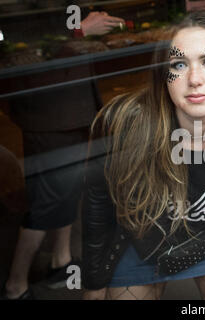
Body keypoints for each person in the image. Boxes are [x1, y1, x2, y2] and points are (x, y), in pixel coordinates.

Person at [82, 11, 205, 300]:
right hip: (140, 244)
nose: (194, 79)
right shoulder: (126, 123)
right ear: (164, 74)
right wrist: (94, 282)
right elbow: (96, 204)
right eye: (179, 64)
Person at [1, 11, 125, 300]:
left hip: (72, 107)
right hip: (48, 111)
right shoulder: (24, 7)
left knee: (68, 188)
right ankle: (15, 285)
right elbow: (23, 50)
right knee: (48, 200)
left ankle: (61, 261)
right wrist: (80, 31)